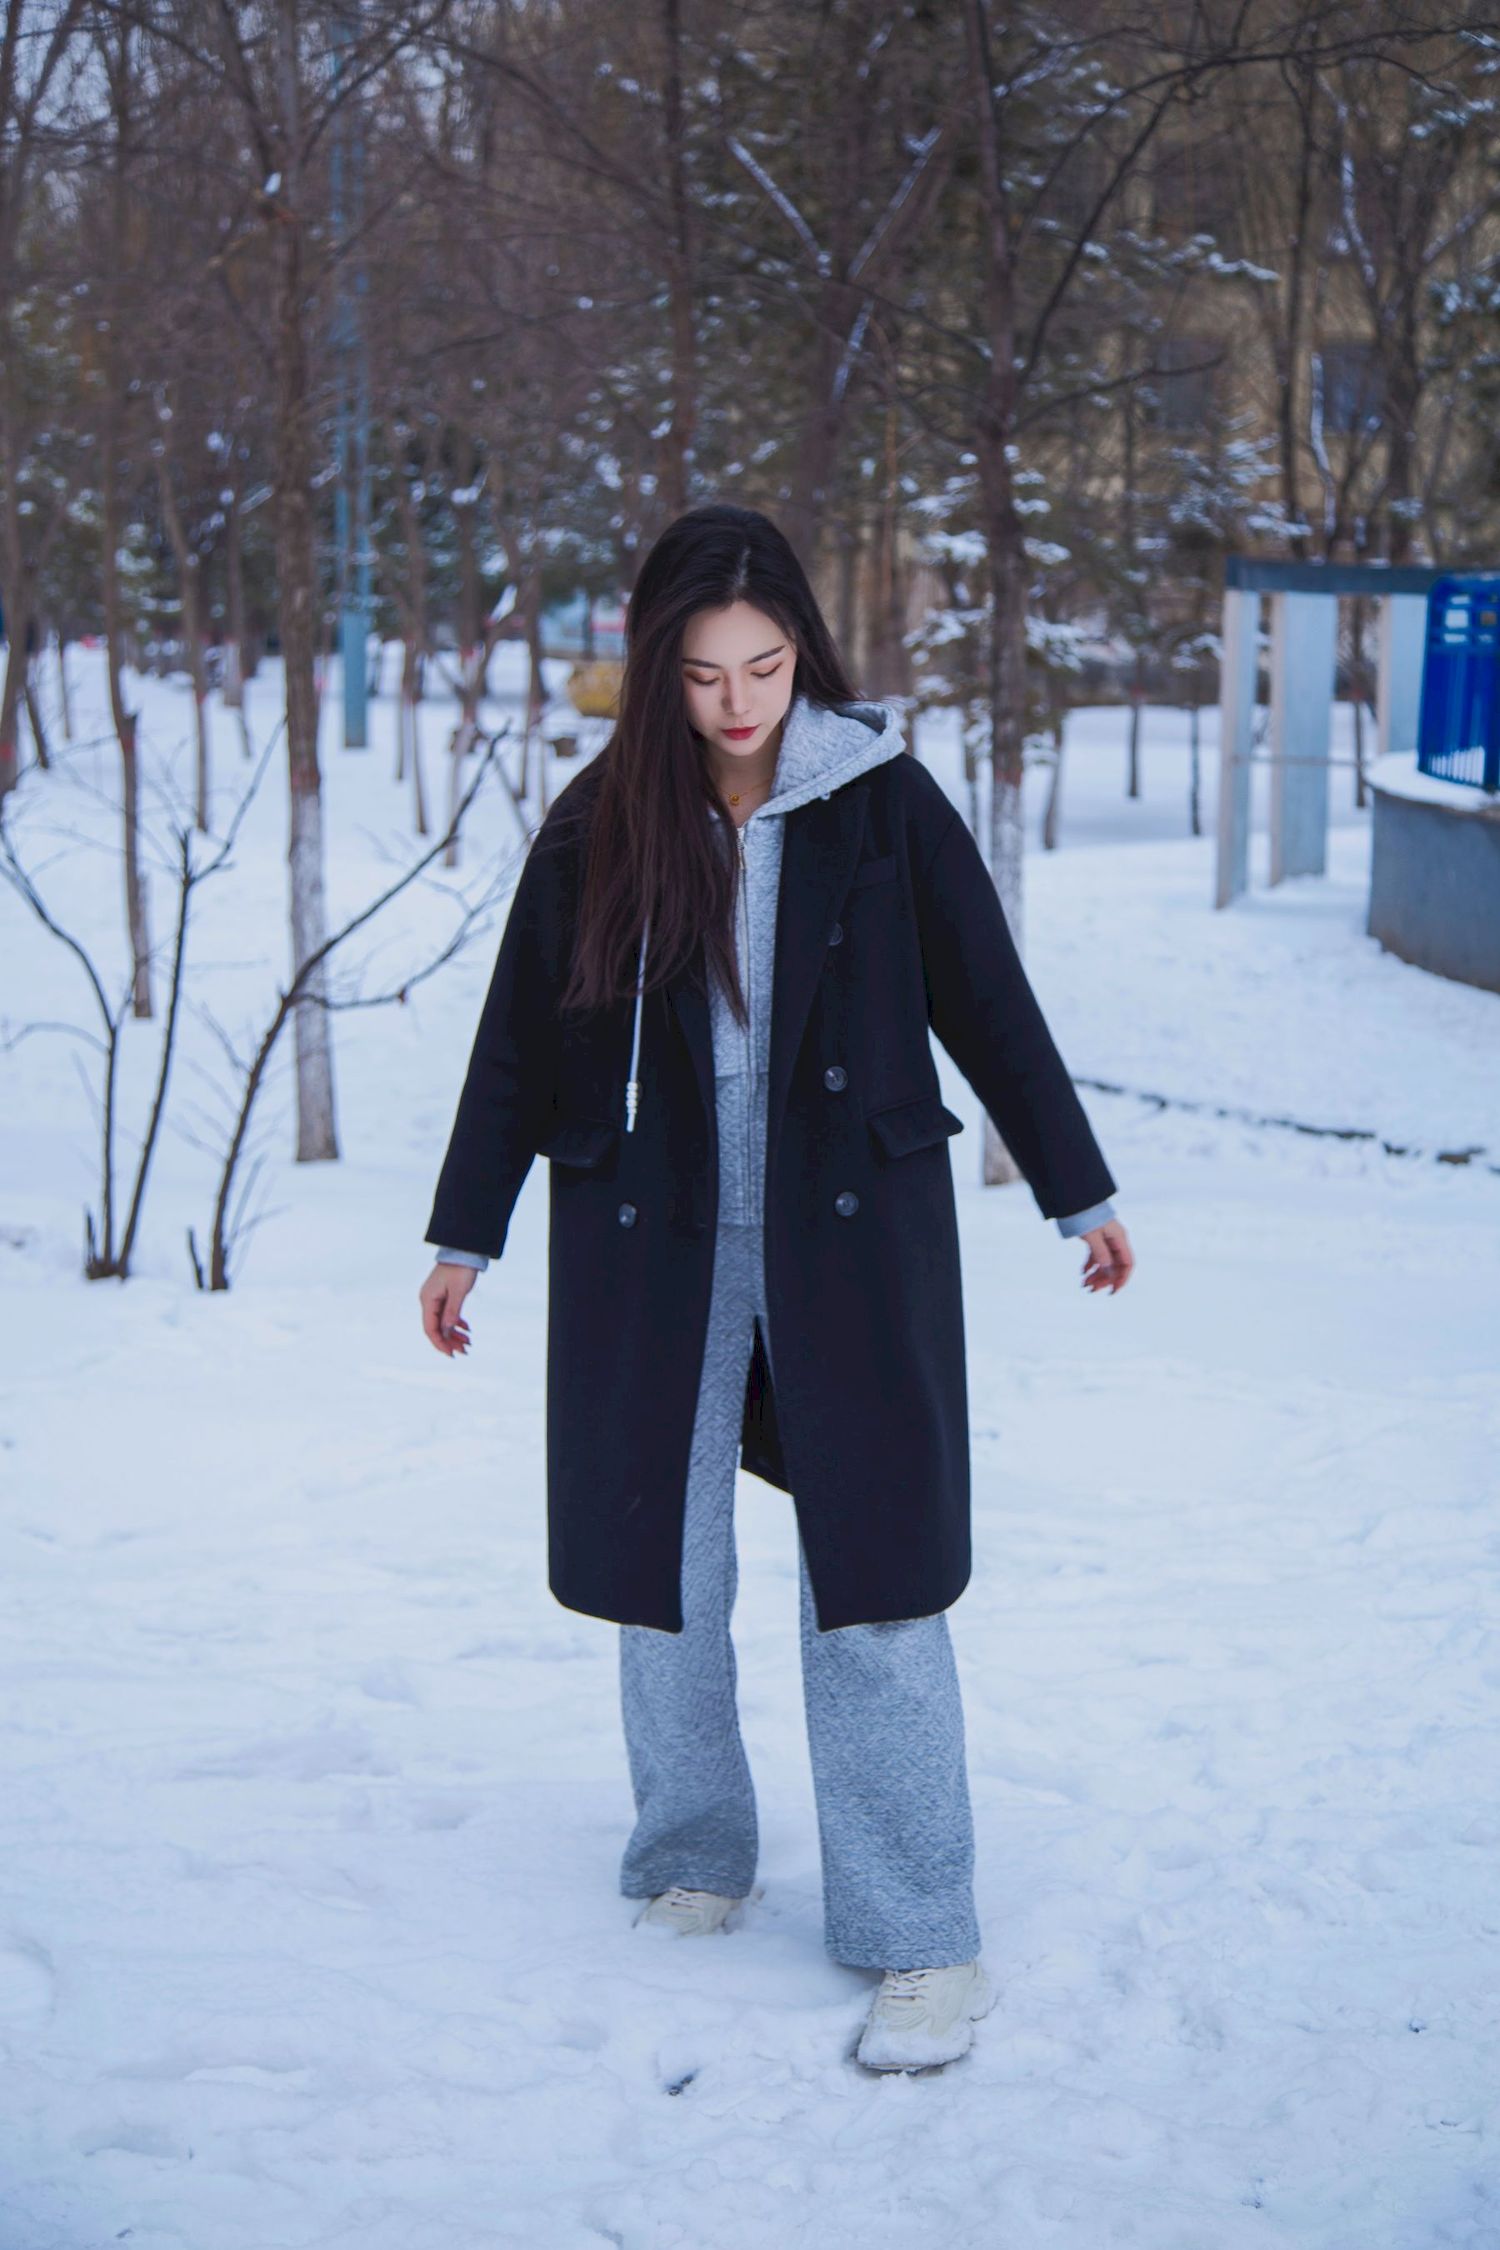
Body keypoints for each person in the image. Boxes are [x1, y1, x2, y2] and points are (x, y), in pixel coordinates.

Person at [418, 501, 1134, 2074]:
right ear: (655, 673)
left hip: (848, 1243)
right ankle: (692, 1846)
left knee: (873, 1587)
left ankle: (921, 1932)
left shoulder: (880, 804)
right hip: (650, 1247)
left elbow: (989, 1005)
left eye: (766, 664)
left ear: (802, 649)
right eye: (705, 674)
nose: (743, 702)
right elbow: (516, 1047)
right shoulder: (598, 825)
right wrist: (467, 1230)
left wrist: (1076, 1186)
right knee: (660, 1573)